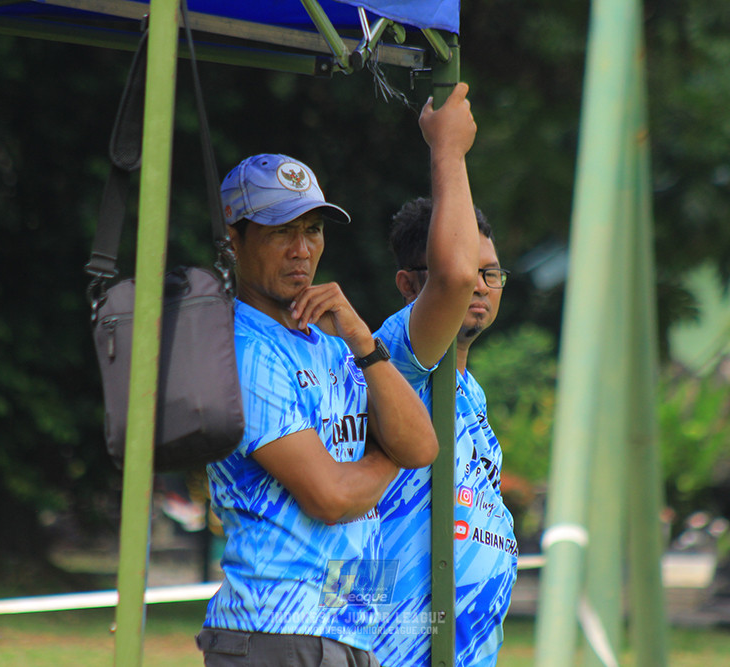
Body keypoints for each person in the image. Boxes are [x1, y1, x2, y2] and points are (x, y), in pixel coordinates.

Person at [197, 101, 472, 665]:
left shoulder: (332, 343)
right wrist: (389, 454)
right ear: (232, 240)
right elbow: (331, 497)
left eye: (313, 230)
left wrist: (362, 340)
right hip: (275, 631)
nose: (302, 249)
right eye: (281, 231)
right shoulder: (241, 349)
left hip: (346, 629)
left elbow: (423, 445)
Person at [372, 90, 517, 667]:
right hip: (395, 648)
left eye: (492, 273)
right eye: (465, 272)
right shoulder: (397, 357)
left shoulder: (470, 392)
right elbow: (451, 280)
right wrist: (448, 150)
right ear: (410, 286)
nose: (478, 284)